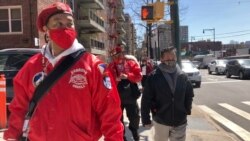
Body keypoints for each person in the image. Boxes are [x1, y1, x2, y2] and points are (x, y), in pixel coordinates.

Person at [4, 2, 123, 141]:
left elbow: (110, 113)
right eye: (58, 23)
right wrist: (13, 135)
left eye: (69, 23)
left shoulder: (94, 66)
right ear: (45, 29)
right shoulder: (31, 66)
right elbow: (20, 107)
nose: (65, 28)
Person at [141, 47, 194, 141]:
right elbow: (146, 99)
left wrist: (187, 110)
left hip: (180, 121)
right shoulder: (153, 76)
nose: (171, 60)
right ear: (161, 59)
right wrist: (146, 119)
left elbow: (189, 94)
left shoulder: (183, 76)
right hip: (161, 120)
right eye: (168, 58)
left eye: (173, 57)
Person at [108, 46, 142, 141]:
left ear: (122, 54)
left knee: (134, 117)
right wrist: (115, 80)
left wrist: (127, 76)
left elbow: (139, 77)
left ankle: (134, 131)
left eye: (118, 55)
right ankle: (122, 137)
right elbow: (106, 81)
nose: (116, 58)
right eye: (114, 57)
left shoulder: (131, 63)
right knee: (118, 119)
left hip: (130, 96)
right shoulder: (110, 66)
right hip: (117, 97)